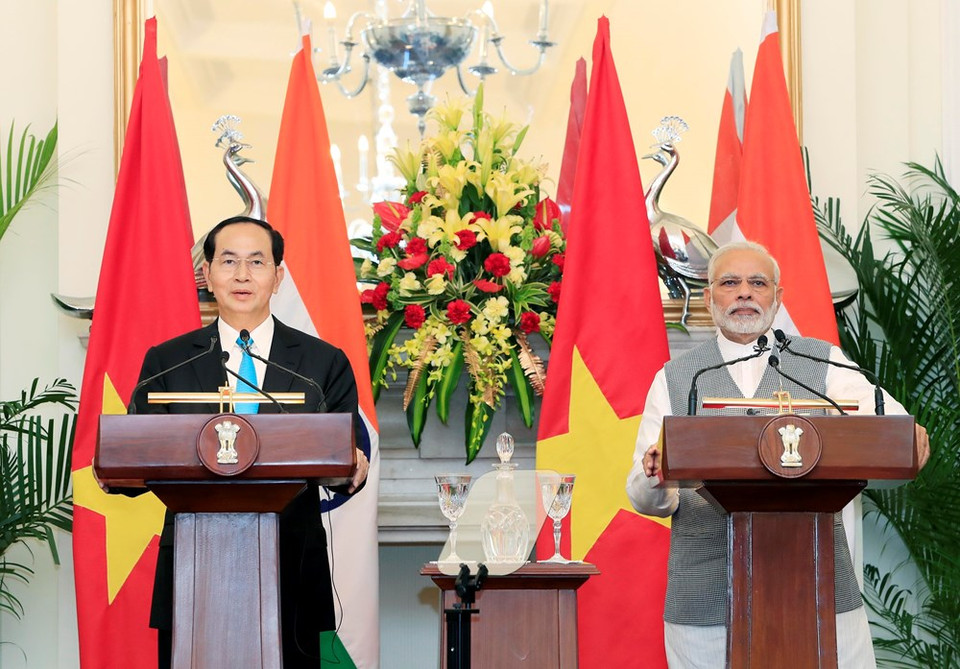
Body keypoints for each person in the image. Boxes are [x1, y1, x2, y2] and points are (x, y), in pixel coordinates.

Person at [625, 240, 930, 669]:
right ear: (709, 296)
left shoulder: (824, 363)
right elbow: (644, 496)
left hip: (819, 591)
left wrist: (908, 436)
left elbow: (889, 426)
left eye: (758, 282)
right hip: (706, 597)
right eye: (730, 282)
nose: (745, 293)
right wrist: (657, 475)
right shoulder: (676, 377)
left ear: (778, 297)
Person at [130, 215, 370, 668]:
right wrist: (117, 474)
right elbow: (140, 449)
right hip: (192, 570)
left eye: (257, 262)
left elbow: (345, 459)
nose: (242, 275)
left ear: (278, 276)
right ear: (207, 273)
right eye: (229, 261)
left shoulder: (322, 363)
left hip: (293, 570)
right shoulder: (167, 362)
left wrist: (353, 467)